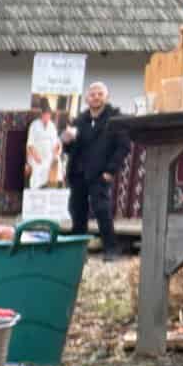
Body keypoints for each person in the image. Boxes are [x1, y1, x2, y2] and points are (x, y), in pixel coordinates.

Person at [61, 80, 129, 259]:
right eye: (92, 94)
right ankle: (77, 251)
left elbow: (124, 147)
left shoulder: (115, 118)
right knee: (77, 210)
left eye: (100, 94)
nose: (96, 97)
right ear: (86, 99)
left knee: (101, 210)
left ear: (106, 97)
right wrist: (67, 141)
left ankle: (111, 249)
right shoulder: (79, 120)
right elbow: (69, 149)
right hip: (78, 173)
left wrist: (111, 170)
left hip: (101, 173)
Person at [25, 102, 62, 191]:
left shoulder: (52, 125)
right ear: (42, 115)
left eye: (49, 115)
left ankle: (53, 187)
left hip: (49, 153)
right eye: (45, 114)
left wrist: (57, 148)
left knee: (57, 164)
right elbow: (30, 144)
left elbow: (56, 142)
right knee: (38, 169)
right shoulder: (34, 125)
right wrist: (35, 155)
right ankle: (36, 190)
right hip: (36, 153)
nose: (47, 117)